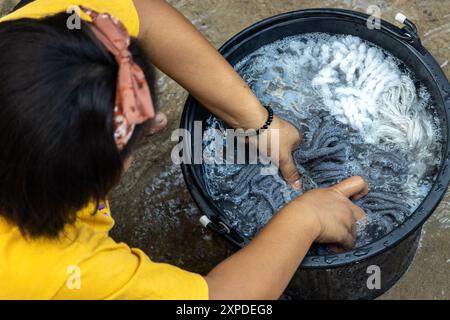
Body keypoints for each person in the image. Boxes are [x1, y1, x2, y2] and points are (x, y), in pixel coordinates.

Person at [0, 0, 368, 299]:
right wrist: (306, 218)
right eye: (135, 139)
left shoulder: (33, 47)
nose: (156, 119)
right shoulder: (63, 273)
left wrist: (257, 120)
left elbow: (141, 13)